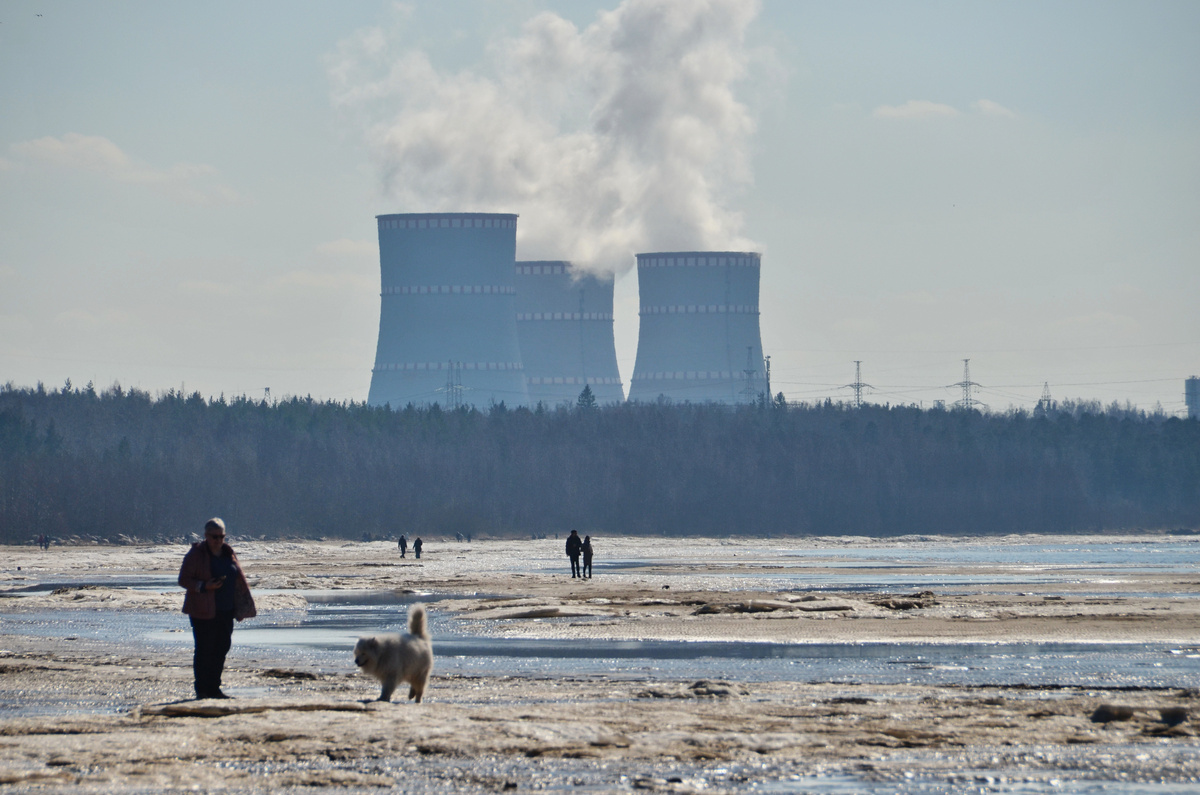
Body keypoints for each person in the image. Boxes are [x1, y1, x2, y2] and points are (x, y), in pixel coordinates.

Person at [178, 518, 256, 699]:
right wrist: (205, 586)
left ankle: (214, 688)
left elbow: (238, 578)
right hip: (202, 611)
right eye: (214, 537)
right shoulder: (196, 555)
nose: (218, 540)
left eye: (222, 536)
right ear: (206, 536)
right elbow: (184, 580)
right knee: (205, 649)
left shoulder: (228, 553)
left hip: (225, 610)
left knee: (221, 648)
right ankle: (203, 690)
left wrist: (241, 604)